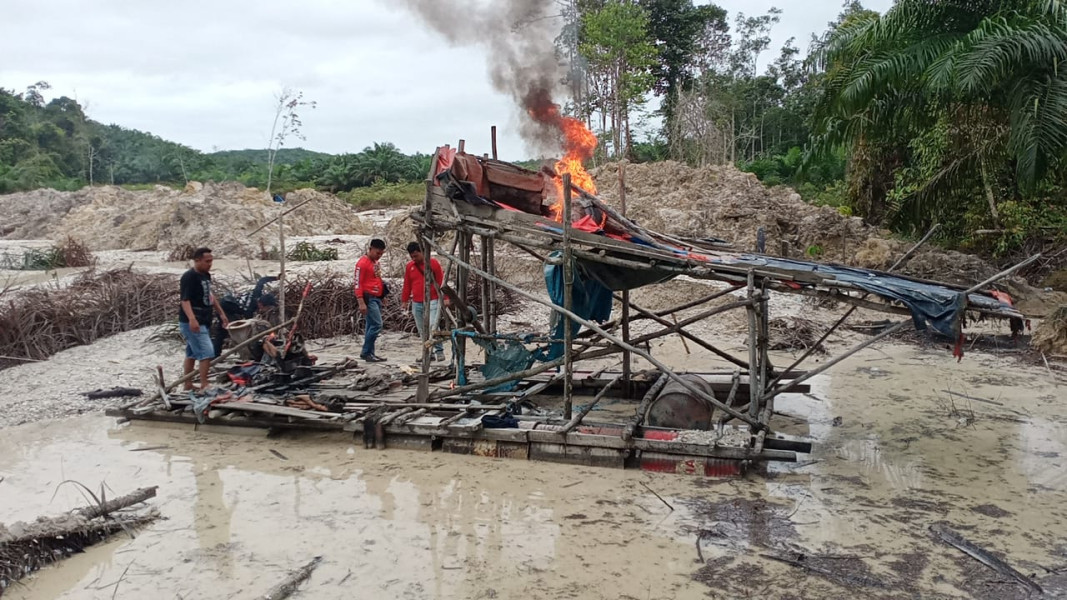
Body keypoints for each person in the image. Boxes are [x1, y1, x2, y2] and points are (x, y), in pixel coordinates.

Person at [179, 247, 229, 392]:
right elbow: (185, 300)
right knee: (207, 352)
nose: (210, 264)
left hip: (204, 319)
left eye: (211, 261)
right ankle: (204, 384)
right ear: (197, 260)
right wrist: (192, 319)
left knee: (191, 353)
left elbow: (209, 295)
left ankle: (187, 384)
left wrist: (221, 313)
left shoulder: (206, 276)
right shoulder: (189, 277)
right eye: (207, 261)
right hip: (193, 321)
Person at [401, 241, 447, 363]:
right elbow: (407, 284)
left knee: (433, 325)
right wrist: (404, 300)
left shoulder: (433, 263)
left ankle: (439, 350)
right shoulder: (409, 267)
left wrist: (445, 297)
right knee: (422, 329)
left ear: (422, 252)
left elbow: (441, 281)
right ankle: (427, 352)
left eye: (416, 256)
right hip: (417, 301)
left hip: (433, 299)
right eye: (412, 256)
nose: (414, 259)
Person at [354, 238, 388, 362]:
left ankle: (370, 353)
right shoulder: (362, 263)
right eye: (377, 253)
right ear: (370, 249)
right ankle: (366, 352)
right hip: (368, 298)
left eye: (381, 254)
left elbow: (378, 279)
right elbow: (357, 283)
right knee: (377, 325)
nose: (379, 256)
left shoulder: (376, 263)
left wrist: (382, 296)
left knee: (370, 325)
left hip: (376, 297)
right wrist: (361, 302)